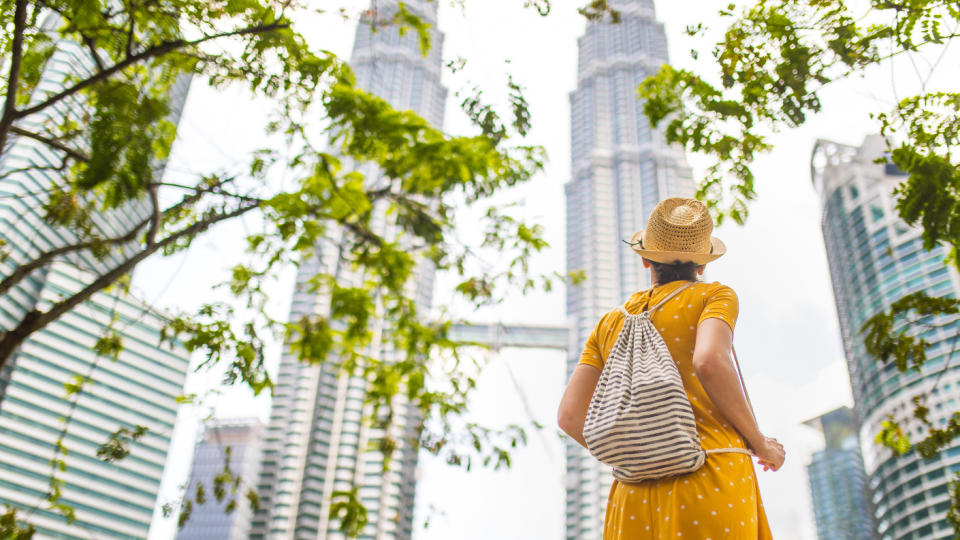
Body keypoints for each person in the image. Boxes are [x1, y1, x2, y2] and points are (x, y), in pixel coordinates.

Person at [557, 197, 785, 539]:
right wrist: (760, 443)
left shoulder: (609, 323)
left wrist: (644, 453)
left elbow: (570, 417)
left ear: (645, 258)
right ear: (702, 265)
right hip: (710, 473)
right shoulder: (713, 296)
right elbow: (709, 362)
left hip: (631, 494)